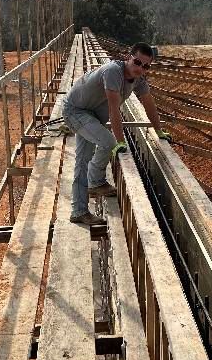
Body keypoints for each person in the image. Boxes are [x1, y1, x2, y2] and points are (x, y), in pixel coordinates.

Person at [63, 42, 171, 225]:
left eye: (145, 66)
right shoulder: (113, 72)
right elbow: (114, 108)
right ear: (129, 57)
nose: (140, 68)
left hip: (92, 115)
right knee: (108, 142)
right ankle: (93, 186)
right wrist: (120, 141)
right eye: (137, 62)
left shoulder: (139, 79)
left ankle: (81, 206)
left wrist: (158, 130)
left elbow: (149, 104)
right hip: (76, 111)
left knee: (82, 161)